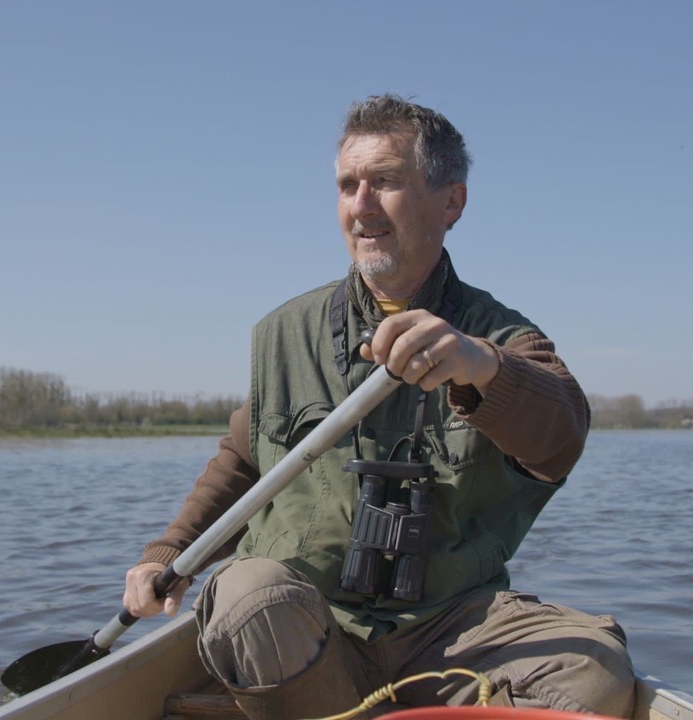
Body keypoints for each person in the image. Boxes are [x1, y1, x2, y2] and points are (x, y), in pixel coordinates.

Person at [123, 93, 635, 719]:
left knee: (592, 673)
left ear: (452, 201)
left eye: (386, 182)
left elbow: (562, 435)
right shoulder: (284, 333)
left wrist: (479, 365)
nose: (360, 205)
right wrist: (168, 554)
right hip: (308, 622)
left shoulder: (506, 338)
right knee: (247, 595)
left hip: (451, 625)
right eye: (347, 186)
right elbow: (244, 456)